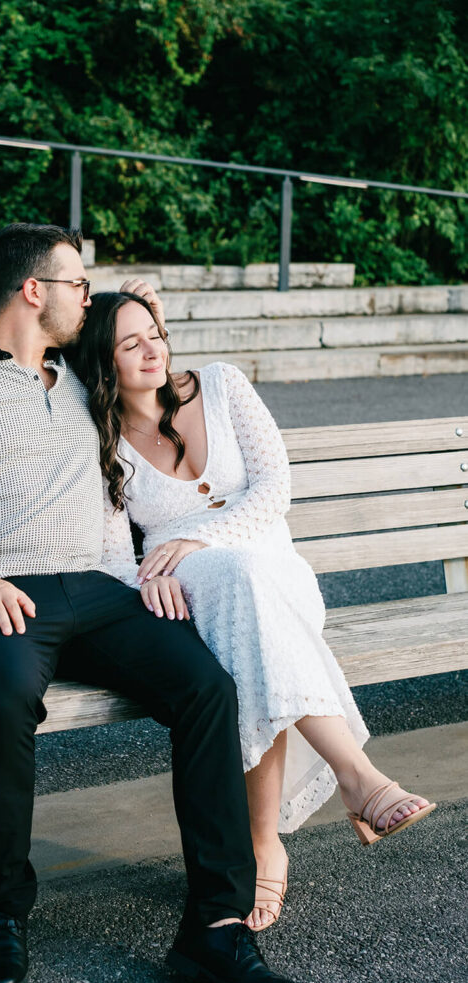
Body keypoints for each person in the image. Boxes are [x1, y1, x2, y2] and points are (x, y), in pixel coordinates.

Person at [0, 222, 311, 983]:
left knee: (205, 689)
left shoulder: (77, 379)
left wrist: (143, 309)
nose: (87, 294)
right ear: (32, 290)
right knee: (4, 700)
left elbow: (145, 358)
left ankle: (215, 929)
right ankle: (3, 911)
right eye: (77, 283)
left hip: (97, 591)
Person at [73, 285, 436, 933]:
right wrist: (142, 580)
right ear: (103, 363)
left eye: (153, 332)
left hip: (273, 574)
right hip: (186, 585)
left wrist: (198, 537)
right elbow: (108, 546)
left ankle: (267, 840)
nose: (151, 349)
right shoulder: (101, 439)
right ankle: (358, 780)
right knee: (241, 613)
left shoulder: (220, 384)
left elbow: (275, 488)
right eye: (130, 343)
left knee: (250, 614)